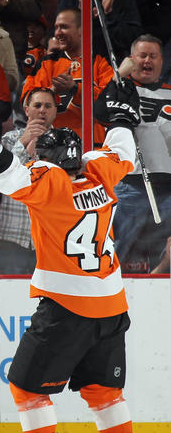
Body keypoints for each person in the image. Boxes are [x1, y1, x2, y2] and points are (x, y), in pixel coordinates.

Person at [0, 78, 141, 433]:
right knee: (104, 392)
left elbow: (6, 175)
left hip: (68, 307)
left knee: (27, 390)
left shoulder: (51, 182)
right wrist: (120, 119)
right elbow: (124, 151)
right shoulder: (98, 170)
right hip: (112, 306)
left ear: (50, 161)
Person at [112, 34, 171, 273]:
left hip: (168, 188)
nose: (147, 60)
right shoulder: (120, 90)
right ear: (131, 59)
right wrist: (118, 76)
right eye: (142, 55)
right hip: (129, 184)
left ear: (161, 61)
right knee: (114, 249)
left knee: (163, 254)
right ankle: (103, 289)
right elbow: (100, 111)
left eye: (153, 56)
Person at [22, 8, 114, 143]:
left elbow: (110, 103)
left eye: (64, 27)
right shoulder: (46, 63)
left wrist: (75, 89)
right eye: (56, 27)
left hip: (94, 145)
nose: (58, 33)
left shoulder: (101, 63)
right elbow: (27, 101)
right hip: (53, 145)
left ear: (82, 30)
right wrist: (52, 91)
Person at [0, 87, 58, 274]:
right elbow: (2, 179)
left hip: (50, 237)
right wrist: (23, 142)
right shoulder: (8, 140)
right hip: (11, 234)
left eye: (48, 106)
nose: (42, 110)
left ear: (55, 111)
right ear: (27, 110)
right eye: (37, 105)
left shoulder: (64, 142)